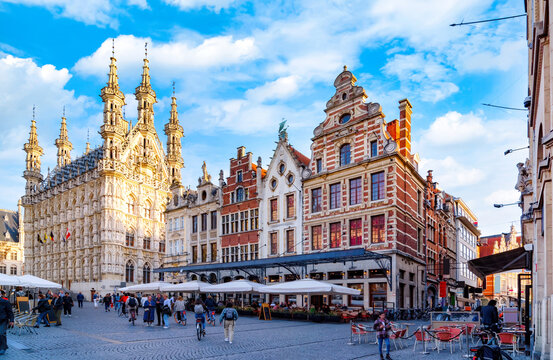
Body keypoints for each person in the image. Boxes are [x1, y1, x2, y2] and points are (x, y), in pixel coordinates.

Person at [0, 291, 13, 355]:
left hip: (3, 320)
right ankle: (3, 346)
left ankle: (3, 348)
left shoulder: (5, 302)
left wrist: (12, 321)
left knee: (2, 333)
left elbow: (10, 312)